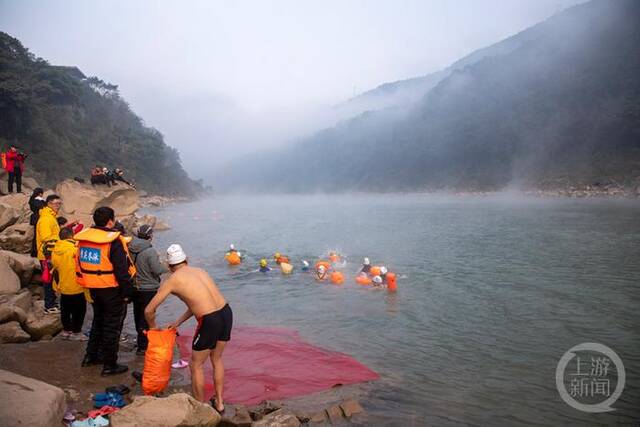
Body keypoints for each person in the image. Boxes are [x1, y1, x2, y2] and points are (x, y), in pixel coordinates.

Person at [145, 244, 232, 412]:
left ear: (170, 267)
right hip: (226, 313)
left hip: (210, 320)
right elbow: (200, 302)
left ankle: (200, 408)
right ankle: (220, 403)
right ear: (186, 260)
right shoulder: (201, 271)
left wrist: (153, 329)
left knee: (196, 365)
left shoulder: (173, 280)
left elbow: (149, 310)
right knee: (217, 359)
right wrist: (178, 322)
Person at [76, 207, 136, 376]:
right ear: (110, 221)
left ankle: (91, 356)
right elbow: (121, 270)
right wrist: (127, 293)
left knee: (98, 321)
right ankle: (110, 364)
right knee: (111, 327)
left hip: (92, 287)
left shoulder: (85, 239)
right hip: (110, 289)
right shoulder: (113, 241)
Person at [128, 225, 169, 356]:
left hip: (135, 287)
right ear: (151, 236)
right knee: (147, 317)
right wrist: (168, 267)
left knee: (138, 314)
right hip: (148, 289)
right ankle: (143, 346)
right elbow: (157, 270)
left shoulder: (130, 247)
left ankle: (140, 341)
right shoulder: (150, 251)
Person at [51, 227, 90, 341]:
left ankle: (66, 330)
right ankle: (77, 332)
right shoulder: (75, 249)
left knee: (65, 309)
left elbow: (56, 267)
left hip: (63, 285)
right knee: (79, 310)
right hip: (77, 284)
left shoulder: (56, 249)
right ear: (70, 236)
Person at [36, 194, 62, 313]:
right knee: (48, 279)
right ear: (49, 204)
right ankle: (49, 306)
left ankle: (52, 302)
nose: (58, 206)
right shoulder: (46, 218)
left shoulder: (51, 216)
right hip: (47, 254)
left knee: (52, 279)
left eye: (59, 203)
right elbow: (46, 237)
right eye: (56, 203)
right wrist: (62, 240)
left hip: (51, 253)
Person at [28, 188, 46, 257]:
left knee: (36, 235)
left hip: (35, 218)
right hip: (39, 218)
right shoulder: (39, 200)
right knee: (39, 236)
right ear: (40, 193)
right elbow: (43, 207)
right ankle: (37, 251)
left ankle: (34, 252)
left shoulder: (32, 200)